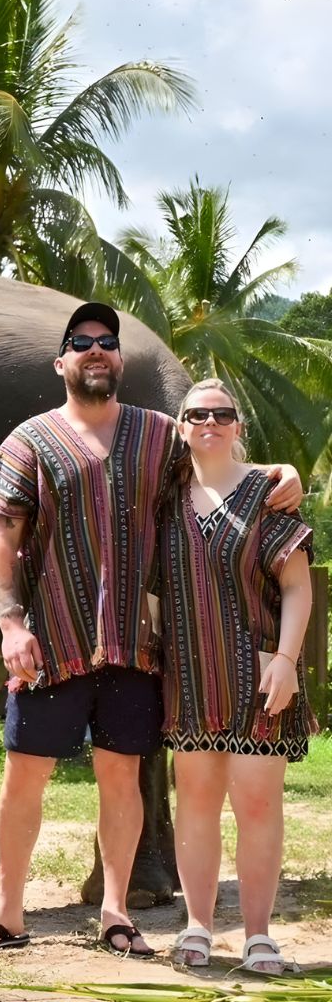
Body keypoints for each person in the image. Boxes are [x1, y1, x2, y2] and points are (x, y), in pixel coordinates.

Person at [0, 304, 302, 956]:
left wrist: (280, 474)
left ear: (119, 361)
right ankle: (6, 911)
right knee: (23, 775)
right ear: (61, 363)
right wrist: (9, 623)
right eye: (80, 343)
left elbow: (216, 457)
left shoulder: (159, 433)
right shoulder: (30, 438)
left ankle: (116, 912)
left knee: (123, 779)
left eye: (106, 343)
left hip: (137, 648)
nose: (95, 350)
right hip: (51, 641)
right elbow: (1, 533)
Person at [161, 379, 316, 975]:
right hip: (190, 674)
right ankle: (198, 927)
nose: (209, 422)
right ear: (181, 426)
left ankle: (257, 934)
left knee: (257, 803)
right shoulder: (164, 495)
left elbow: (297, 585)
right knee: (195, 802)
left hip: (260, 672)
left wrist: (286, 659)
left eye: (222, 413)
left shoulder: (269, 493)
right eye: (196, 413)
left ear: (238, 425)